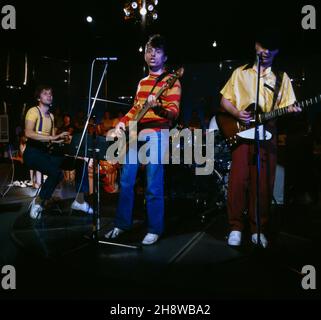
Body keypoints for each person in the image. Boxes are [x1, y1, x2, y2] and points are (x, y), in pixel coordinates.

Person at [220, 31, 301, 248]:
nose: (265, 52)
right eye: (261, 46)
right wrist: (237, 113)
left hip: (267, 134)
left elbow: (288, 105)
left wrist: (292, 111)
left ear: (277, 51)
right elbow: (224, 101)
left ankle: (258, 229)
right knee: (237, 181)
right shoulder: (240, 73)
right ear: (255, 46)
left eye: (270, 49)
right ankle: (235, 227)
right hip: (242, 134)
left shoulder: (281, 78)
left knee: (263, 183)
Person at [105, 34, 181, 245]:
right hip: (135, 134)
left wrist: (158, 107)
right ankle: (122, 224)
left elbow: (174, 113)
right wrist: (122, 121)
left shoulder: (171, 81)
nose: (152, 55)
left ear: (165, 57)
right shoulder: (142, 83)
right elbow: (136, 109)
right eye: (149, 51)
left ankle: (155, 228)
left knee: (153, 183)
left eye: (157, 52)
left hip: (157, 133)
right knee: (126, 180)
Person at [23, 85, 70, 219]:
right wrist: (52, 137)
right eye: (45, 94)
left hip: (44, 153)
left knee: (60, 174)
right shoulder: (33, 111)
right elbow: (28, 133)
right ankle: (38, 202)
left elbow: (51, 140)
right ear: (39, 97)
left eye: (50, 94)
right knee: (55, 172)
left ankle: (78, 201)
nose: (49, 96)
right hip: (32, 153)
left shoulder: (52, 117)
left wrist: (61, 138)